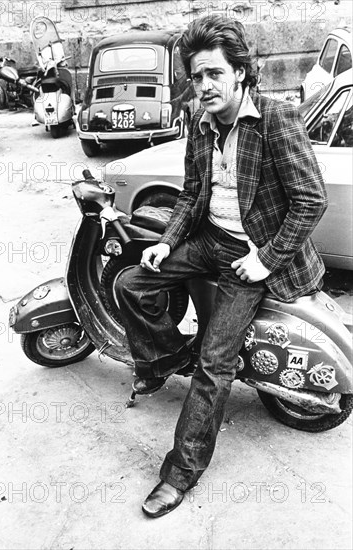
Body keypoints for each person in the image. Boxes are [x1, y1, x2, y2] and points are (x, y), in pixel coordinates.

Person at [116, 14, 328, 518]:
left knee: (216, 363)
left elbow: (310, 200)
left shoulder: (277, 119)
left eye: (214, 74)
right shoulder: (199, 119)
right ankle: (169, 358)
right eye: (196, 76)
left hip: (251, 253)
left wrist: (265, 260)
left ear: (240, 72)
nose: (204, 86)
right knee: (130, 283)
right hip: (209, 237)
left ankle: (179, 474)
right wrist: (167, 243)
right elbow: (193, 194)